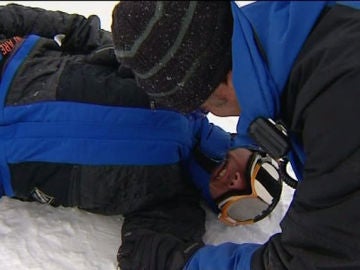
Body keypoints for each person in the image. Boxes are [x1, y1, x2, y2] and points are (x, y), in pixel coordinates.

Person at [112, 1, 360, 269]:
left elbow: (310, 261)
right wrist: (250, 145)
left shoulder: (339, 108)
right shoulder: (310, 27)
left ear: (225, 80)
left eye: (204, 104)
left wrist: (180, 264)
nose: (207, 113)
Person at [0, 3, 240, 270]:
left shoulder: (172, 200)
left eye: (243, 204)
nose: (235, 182)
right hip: (15, 72)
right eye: (251, 175)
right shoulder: (170, 83)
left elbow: (153, 257)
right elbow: (79, 32)